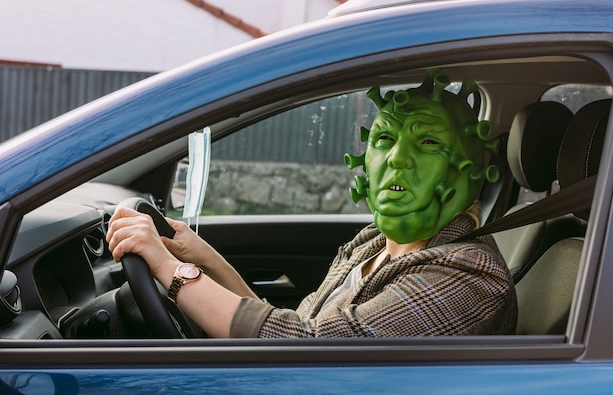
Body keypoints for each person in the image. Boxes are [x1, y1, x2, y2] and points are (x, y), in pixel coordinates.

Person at [106, 70, 517, 338]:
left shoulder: (470, 275)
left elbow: (308, 350)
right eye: (385, 140)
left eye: (428, 142)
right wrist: (202, 257)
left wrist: (169, 269)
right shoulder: (373, 242)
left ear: (471, 169)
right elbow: (296, 327)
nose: (397, 158)